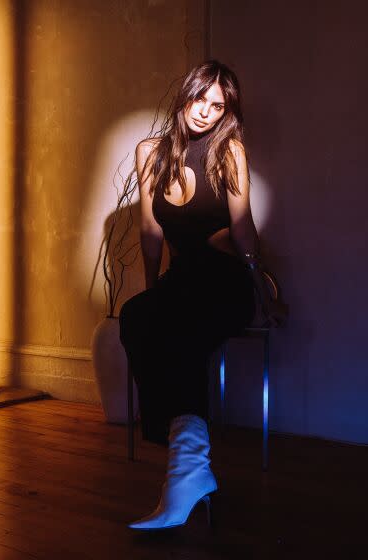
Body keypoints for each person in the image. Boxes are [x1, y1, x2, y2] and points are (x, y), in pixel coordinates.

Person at [119, 60, 285, 530]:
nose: (206, 112)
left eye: (218, 106)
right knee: (137, 316)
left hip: (227, 282)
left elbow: (244, 232)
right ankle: (188, 466)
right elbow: (151, 233)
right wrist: (155, 298)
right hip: (182, 283)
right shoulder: (149, 153)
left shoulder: (229, 152)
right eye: (200, 99)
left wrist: (265, 295)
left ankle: (186, 472)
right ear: (186, 94)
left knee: (182, 320)